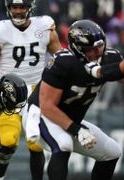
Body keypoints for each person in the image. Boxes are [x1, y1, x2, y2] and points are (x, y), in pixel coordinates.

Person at [24, 19, 123, 180]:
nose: (98, 53)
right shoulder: (63, 62)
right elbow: (47, 106)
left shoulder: (109, 57)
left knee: (112, 152)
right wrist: (77, 130)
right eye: (91, 49)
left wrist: (104, 71)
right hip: (40, 115)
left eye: (100, 46)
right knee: (64, 144)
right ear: (78, 49)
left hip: (69, 120)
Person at [0, 0, 62, 179]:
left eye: (22, 7)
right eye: (15, 7)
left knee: (36, 145)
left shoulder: (44, 26)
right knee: (7, 142)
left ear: (30, 8)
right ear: (8, 8)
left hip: (36, 91)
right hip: (8, 91)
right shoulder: (0, 30)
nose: (18, 11)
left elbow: (60, 59)